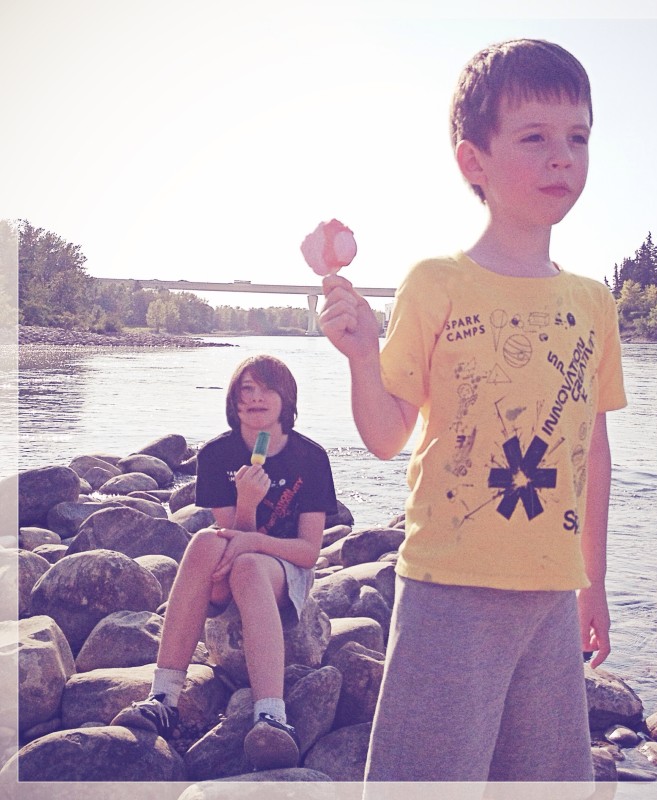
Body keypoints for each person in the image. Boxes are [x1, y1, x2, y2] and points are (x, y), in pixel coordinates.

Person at [318, 39, 627, 787]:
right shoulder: (436, 283)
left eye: (577, 138)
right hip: (448, 591)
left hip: (551, 597)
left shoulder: (591, 302)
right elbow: (389, 435)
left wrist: (595, 581)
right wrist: (363, 357)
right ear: (472, 162)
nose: (563, 157)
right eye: (535, 138)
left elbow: (593, 453)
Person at [111, 354, 338, 771]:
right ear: (233, 403)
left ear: (286, 398)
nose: (255, 398)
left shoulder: (310, 457)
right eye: (245, 390)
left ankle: (271, 715)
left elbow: (309, 551)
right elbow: (231, 539)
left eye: (266, 388)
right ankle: (164, 698)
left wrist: (253, 537)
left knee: (251, 566)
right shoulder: (218, 455)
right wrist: (248, 505)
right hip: (227, 572)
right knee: (202, 541)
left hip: (283, 572)